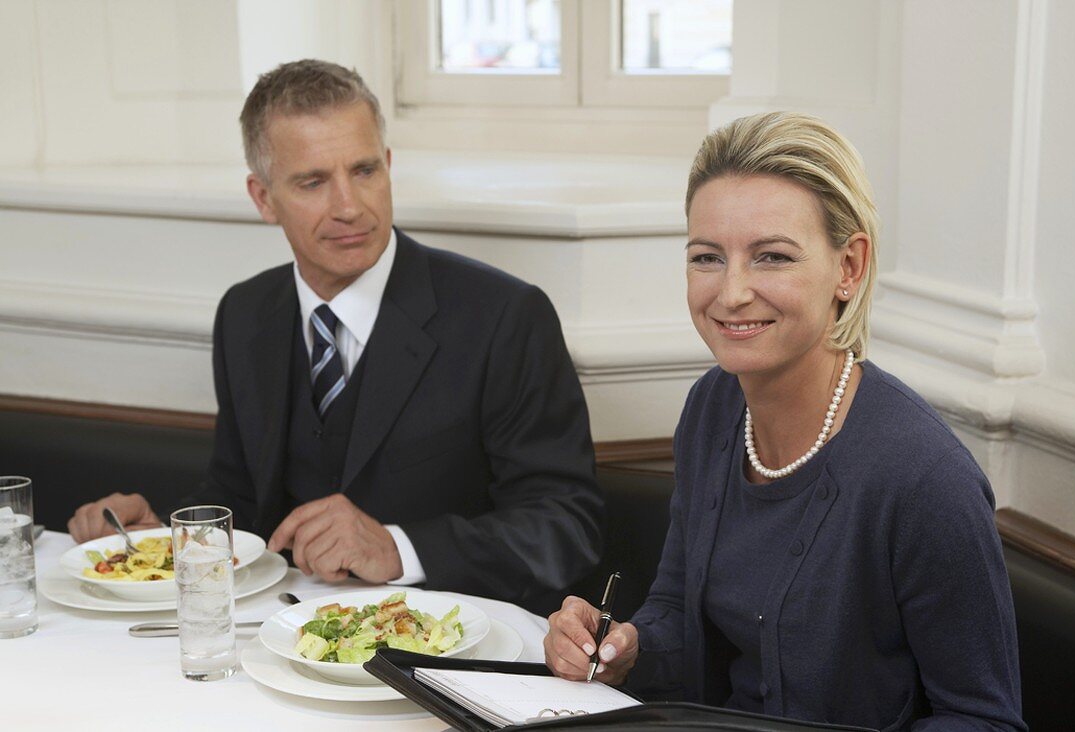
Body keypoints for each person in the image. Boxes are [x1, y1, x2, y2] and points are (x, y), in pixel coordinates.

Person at [544, 112, 1026, 730]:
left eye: (771, 257)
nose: (732, 291)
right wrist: (624, 650)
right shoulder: (711, 409)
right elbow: (677, 604)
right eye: (707, 257)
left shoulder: (923, 478)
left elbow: (985, 720)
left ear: (849, 268)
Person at [67, 59, 603, 613]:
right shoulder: (245, 313)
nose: (350, 207)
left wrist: (398, 549)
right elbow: (238, 498)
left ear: (389, 166)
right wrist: (166, 539)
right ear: (263, 198)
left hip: (449, 650)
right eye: (313, 181)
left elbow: (565, 528)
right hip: (280, 640)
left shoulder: (504, 316)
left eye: (365, 170)